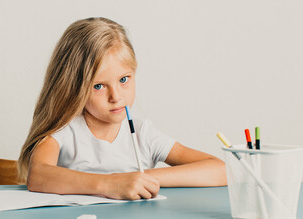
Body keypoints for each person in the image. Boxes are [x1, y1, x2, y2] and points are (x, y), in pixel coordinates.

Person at [18, 17, 226, 200]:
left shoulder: (142, 133)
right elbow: (38, 176)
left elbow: (220, 170)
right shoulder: (65, 130)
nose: (116, 97)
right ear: (73, 87)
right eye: (98, 86)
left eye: (124, 80)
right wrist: (111, 184)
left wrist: (141, 179)